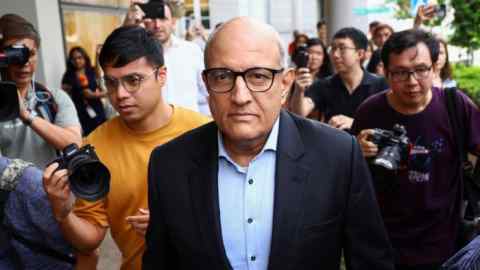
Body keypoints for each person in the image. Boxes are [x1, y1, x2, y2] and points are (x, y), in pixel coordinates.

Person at [143, 17, 394, 270]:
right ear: (206, 84)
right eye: (222, 76)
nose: (240, 97)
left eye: (259, 77)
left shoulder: (337, 156)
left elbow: (371, 261)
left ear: (285, 84)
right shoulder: (169, 164)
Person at [43, 26, 210, 270]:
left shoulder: (204, 132)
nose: (120, 94)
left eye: (133, 80)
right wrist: (63, 212)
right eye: (111, 83)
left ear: (161, 75)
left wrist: (175, 224)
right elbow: (90, 240)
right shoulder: (95, 146)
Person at [352, 29, 480, 269]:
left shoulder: (455, 105)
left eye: (421, 70)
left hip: (446, 243)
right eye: (400, 73)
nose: (412, 82)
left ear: (434, 67)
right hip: (385, 244)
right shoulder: (370, 111)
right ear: (386, 73)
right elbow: (350, 178)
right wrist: (356, 151)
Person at [0, 14, 81, 167]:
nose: (24, 63)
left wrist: (27, 116)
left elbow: (74, 143)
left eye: (30, 54)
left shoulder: (53, 98)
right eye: (15, 55)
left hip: (53, 189)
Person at [290, 27, 389, 131]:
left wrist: (355, 123)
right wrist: (299, 90)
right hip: (335, 145)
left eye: (342, 48)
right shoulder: (324, 85)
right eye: (333, 48)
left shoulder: (381, 85)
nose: (335, 55)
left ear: (360, 54)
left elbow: (389, 122)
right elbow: (299, 113)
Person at [124, 1, 210, 115]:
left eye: (163, 19)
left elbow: (207, 91)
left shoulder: (191, 51)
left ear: (173, 21)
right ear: (144, 22)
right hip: (155, 129)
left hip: (192, 127)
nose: (157, 25)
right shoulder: (137, 56)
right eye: (152, 19)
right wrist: (127, 28)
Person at [62, 46, 107, 136]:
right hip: (81, 111)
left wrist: (97, 55)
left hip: (97, 108)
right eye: (74, 59)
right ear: (70, 61)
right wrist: (108, 93)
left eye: (79, 57)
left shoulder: (90, 71)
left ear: (85, 58)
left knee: (103, 132)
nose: (77, 61)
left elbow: (98, 74)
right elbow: (87, 94)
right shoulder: (69, 75)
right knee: (89, 137)